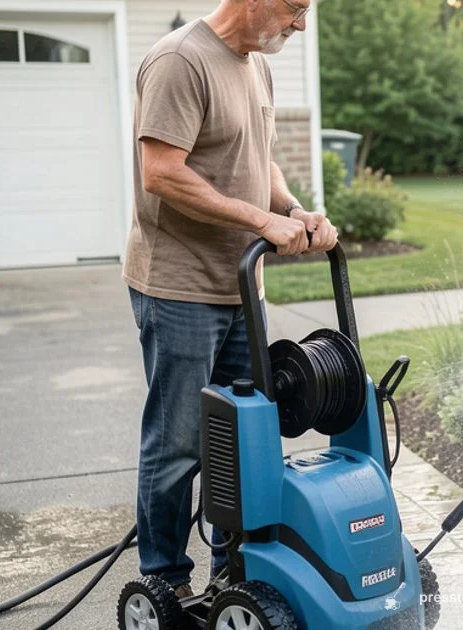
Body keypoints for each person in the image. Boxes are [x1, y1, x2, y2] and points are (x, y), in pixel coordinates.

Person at [123, 0, 336, 597]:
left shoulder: (256, 64)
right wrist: (258, 221)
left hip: (240, 288)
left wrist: (291, 210)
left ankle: (232, 577)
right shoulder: (180, 60)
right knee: (178, 444)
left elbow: (258, 157)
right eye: (295, 8)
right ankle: (163, 581)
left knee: (244, 438)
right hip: (179, 286)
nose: (301, 24)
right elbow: (161, 172)